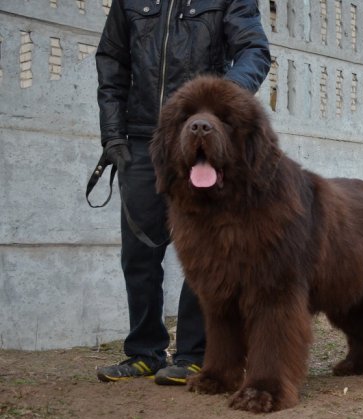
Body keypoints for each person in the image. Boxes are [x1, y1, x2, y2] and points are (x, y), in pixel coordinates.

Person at [94, 0, 271, 385]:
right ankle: (143, 352)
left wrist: (218, 106)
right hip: (146, 139)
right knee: (138, 253)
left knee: (205, 250)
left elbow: (254, 50)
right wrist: (112, 135)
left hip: (203, 136)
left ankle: (194, 354)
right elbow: (111, 61)